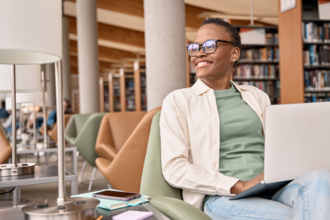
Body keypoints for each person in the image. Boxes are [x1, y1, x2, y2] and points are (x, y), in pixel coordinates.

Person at [160, 18, 330, 220]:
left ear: (234, 53)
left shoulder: (257, 96)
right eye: (194, 47)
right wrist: (238, 185)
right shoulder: (179, 101)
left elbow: (277, 148)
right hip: (225, 197)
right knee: (296, 215)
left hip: (273, 187)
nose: (199, 53)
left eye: (209, 45)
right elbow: (174, 168)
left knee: (321, 178)